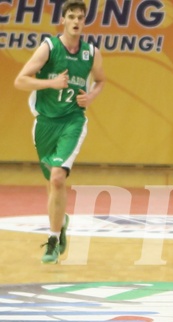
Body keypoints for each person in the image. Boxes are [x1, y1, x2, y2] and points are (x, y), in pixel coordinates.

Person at [14, 0, 105, 264]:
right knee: (52, 185)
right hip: (44, 123)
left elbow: (101, 80)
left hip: (73, 121)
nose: (76, 21)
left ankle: (53, 241)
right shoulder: (49, 47)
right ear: (63, 20)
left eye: (81, 17)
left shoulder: (91, 53)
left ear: (84, 22)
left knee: (57, 178)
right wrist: (51, 83)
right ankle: (60, 222)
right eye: (72, 17)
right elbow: (20, 80)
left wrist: (91, 96)